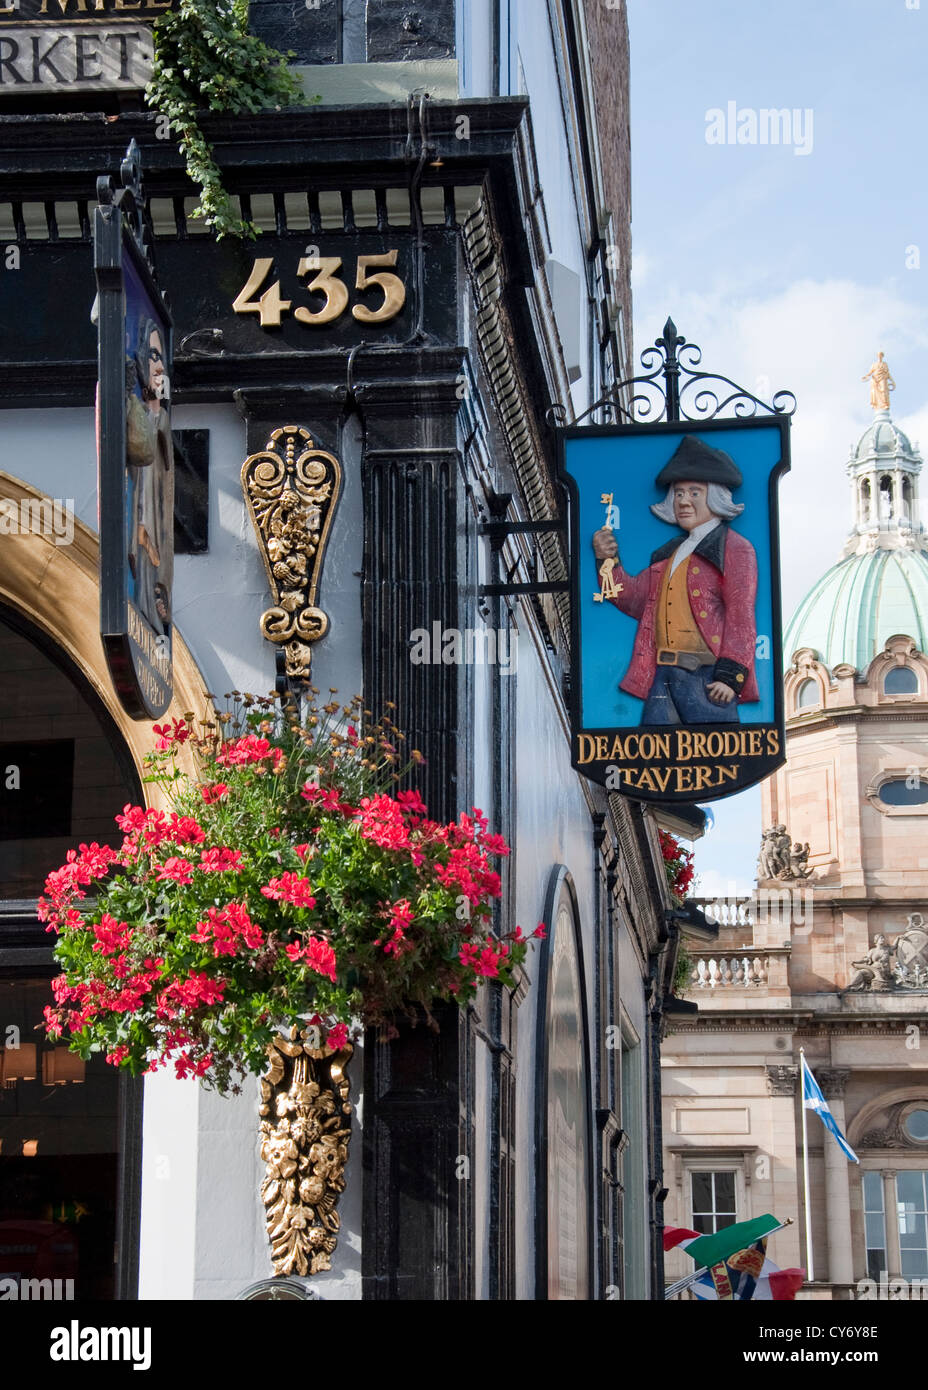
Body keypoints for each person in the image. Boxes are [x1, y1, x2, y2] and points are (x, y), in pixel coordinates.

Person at [591, 434, 758, 726]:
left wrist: (730, 677)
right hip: (661, 679)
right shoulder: (670, 554)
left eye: (694, 492)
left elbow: (741, 617)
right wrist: (607, 560)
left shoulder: (735, 548)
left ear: (715, 496)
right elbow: (630, 598)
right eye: (679, 493)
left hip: (707, 681)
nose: (683, 501)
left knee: (715, 763)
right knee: (651, 766)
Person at [126, 316, 173, 635]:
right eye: (152, 357)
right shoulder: (138, 411)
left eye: (162, 359)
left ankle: (157, 595)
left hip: (156, 522)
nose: (159, 366)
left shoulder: (162, 417)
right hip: (141, 518)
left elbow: (164, 476)